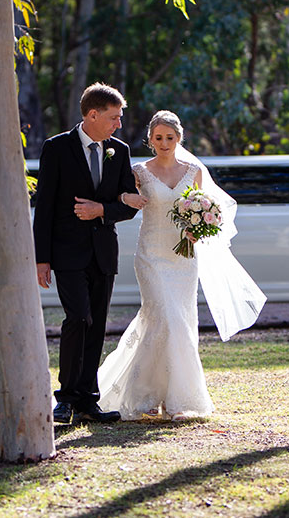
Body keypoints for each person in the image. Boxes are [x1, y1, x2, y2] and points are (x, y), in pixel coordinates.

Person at [97, 110, 266, 421]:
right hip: (150, 256)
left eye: (170, 138)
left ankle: (177, 400)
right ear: (150, 140)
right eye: (158, 138)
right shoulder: (138, 171)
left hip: (184, 258)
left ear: (179, 138)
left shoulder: (193, 172)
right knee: (164, 317)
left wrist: (198, 228)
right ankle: (145, 395)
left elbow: (206, 211)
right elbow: (117, 198)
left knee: (177, 322)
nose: (164, 143)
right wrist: (125, 196)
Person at [33, 83, 139, 424]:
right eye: (113, 117)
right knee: (78, 319)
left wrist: (101, 210)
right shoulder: (56, 148)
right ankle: (64, 399)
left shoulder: (119, 151)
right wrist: (41, 258)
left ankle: (88, 401)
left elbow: (130, 205)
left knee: (96, 327)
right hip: (66, 253)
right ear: (92, 115)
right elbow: (45, 205)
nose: (118, 124)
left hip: (103, 253)